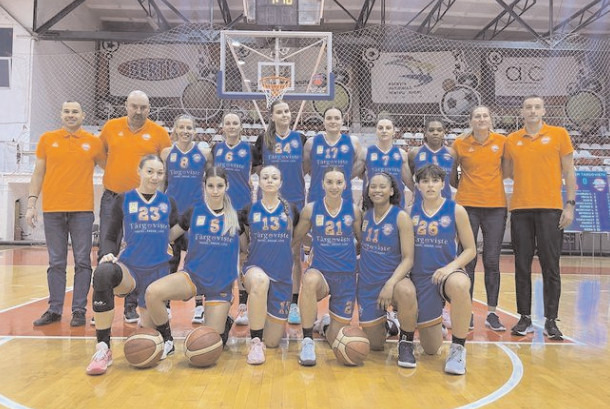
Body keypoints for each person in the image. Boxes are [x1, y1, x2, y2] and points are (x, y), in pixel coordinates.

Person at [86, 155, 178, 375]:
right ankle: (103, 348)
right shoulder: (124, 199)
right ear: (139, 171)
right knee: (103, 273)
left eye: (159, 173)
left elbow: (178, 234)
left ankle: (168, 339)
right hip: (130, 270)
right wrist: (107, 253)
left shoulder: (168, 202)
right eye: (150, 171)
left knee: (149, 337)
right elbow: (110, 234)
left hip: (157, 274)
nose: (154, 177)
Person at [144, 166, 240, 360]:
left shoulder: (237, 217)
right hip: (192, 277)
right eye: (210, 186)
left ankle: (224, 323)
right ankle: (167, 340)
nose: (215, 191)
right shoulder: (193, 212)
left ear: (226, 186)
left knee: (209, 346)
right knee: (152, 293)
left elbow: (245, 249)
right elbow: (169, 236)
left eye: (219, 186)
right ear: (204, 186)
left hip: (220, 285)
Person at [504, 95, 576, 341]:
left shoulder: (559, 134)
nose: (533, 111)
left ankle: (551, 320)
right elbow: (508, 171)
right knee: (522, 266)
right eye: (528, 107)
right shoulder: (512, 140)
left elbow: (569, 171)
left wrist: (569, 205)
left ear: (544, 111)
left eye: (537, 107)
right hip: (521, 210)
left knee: (551, 266)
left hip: (550, 209)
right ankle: (524, 317)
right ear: (522, 112)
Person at [27, 101, 105, 327]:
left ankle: (79, 310)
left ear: (83, 116)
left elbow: (111, 167)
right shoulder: (47, 139)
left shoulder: (94, 142)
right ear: (61, 114)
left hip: (82, 211)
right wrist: (31, 204)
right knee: (56, 262)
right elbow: (38, 173)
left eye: (75, 112)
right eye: (67, 111)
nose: (71, 115)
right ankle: (54, 309)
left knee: (83, 261)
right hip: (52, 210)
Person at [394, 164, 476, 374]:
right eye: (425, 181)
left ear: (442, 184)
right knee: (431, 348)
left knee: (461, 284)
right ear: (418, 185)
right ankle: (430, 326)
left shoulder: (456, 210)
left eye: (435, 181)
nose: (430, 185)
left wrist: (450, 267)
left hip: (445, 274)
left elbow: (470, 250)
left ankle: (458, 349)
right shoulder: (409, 213)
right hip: (420, 279)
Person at [98, 90, 171, 323]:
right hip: (112, 197)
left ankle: (131, 306)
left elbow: (167, 164)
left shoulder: (159, 133)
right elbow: (101, 156)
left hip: (142, 202)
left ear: (149, 109)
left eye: (143, 107)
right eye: (134, 106)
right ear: (126, 106)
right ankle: (104, 304)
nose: (138, 111)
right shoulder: (111, 127)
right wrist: (115, 172)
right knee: (106, 249)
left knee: (138, 252)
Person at [293, 167, 362, 366]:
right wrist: (313, 244)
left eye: (338, 182)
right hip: (321, 273)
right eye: (329, 182)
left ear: (345, 185)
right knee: (309, 279)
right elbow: (297, 237)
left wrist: (349, 255)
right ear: (322, 184)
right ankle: (307, 340)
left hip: (346, 277)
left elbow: (362, 241)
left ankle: (324, 326)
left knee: (337, 341)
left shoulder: (353, 210)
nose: (334, 186)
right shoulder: (311, 209)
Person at [453, 106, 508, 331]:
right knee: (467, 260)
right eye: (477, 116)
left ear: (490, 119)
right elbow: (451, 175)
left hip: (496, 207)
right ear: (471, 120)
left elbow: (507, 170)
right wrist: (468, 188)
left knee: (492, 260)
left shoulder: (502, 142)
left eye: (485, 115)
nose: (481, 119)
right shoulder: (460, 143)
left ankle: (492, 313)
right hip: (467, 206)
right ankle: (465, 310)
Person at [253, 101, 307, 325]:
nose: (284, 115)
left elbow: (306, 166)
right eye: (279, 112)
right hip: (268, 202)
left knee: (294, 253)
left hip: (295, 202)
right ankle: (265, 296)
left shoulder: (301, 139)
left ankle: (293, 303)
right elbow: (258, 170)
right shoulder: (263, 140)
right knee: (265, 251)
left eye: (286, 111)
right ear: (272, 116)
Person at [239, 166, 300, 364]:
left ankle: (261, 320)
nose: (270, 181)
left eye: (274, 177)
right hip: (255, 270)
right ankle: (256, 341)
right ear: (259, 181)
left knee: (273, 342)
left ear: (281, 182)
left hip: (281, 277)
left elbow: (297, 238)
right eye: (265, 177)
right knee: (260, 281)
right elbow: (244, 241)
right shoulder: (249, 209)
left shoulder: (291, 210)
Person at [160, 114, 212, 324]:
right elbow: (162, 183)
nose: (185, 131)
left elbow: (211, 182)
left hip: (195, 215)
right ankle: (165, 304)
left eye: (189, 128)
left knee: (197, 260)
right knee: (169, 261)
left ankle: (199, 306)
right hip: (172, 214)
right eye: (181, 127)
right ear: (174, 129)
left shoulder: (203, 153)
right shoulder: (166, 153)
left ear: (194, 131)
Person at [358, 173, 414, 357]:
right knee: (375, 345)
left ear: (391, 191)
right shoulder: (365, 215)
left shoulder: (401, 217)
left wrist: (390, 284)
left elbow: (408, 259)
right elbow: (360, 246)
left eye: (382, 186)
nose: (377, 190)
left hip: (393, 281)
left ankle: (406, 341)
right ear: (368, 191)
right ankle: (389, 323)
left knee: (406, 291)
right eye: (373, 186)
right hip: (368, 285)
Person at [215, 112, 255, 326]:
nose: (231, 126)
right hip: (222, 210)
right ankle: (221, 301)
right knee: (222, 257)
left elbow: (259, 171)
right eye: (228, 123)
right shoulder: (216, 149)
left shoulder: (249, 149)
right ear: (222, 127)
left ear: (241, 127)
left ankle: (243, 305)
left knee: (243, 255)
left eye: (235, 123)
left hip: (243, 209)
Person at [304, 107, 364, 204]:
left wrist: (345, 177)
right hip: (317, 198)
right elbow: (302, 171)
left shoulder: (353, 142)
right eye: (329, 118)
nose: (333, 121)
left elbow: (360, 168)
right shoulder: (311, 143)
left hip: (344, 199)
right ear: (324, 122)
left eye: (337, 118)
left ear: (342, 121)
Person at [361, 117, 412, 209]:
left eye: (388, 128)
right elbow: (356, 174)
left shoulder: (401, 154)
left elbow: (408, 181)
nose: (384, 131)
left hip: (396, 204)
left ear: (394, 132)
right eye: (380, 128)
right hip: (372, 204)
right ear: (376, 131)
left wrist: (417, 195)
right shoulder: (366, 153)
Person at [407, 118, 457, 202]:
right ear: (425, 133)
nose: (435, 133)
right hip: (420, 202)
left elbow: (453, 181)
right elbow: (408, 177)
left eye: (439, 130)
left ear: (443, 133)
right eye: (431, 130)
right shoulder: (414, 153)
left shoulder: (451, 153)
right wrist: (415, 191)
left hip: (444, 202)